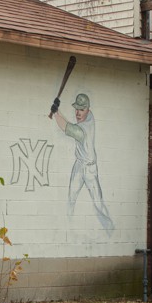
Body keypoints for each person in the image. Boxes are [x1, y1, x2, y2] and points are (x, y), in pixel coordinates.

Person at [52, 93, 114, 235]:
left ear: (88, 109)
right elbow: (68, 124)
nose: (78, 113)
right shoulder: (90, 116)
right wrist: (58, 110)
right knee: (71, 197)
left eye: (82, 109)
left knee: (98, 204)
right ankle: (67, 227)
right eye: (77, 109)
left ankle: (109, 229)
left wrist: (56, 112)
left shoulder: (83, 130)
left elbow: (66, 127)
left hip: (90, 169)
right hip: (79, 165)